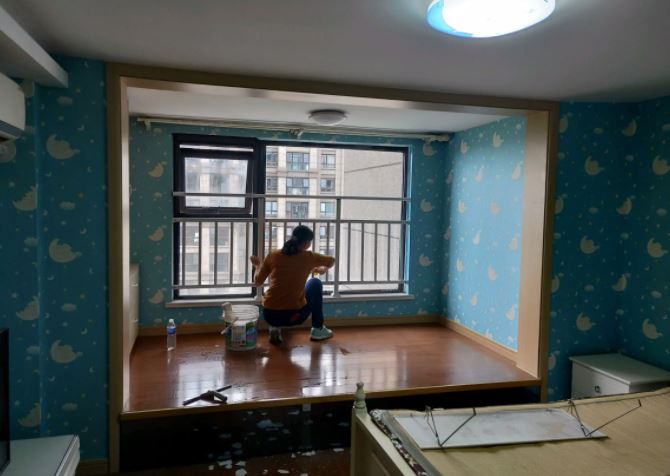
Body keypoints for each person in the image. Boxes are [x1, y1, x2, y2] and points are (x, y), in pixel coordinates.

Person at [250, 225, 335, 344]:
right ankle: (318, 329)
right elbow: (332, 261)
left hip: (270, 315)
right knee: (315, 282)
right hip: (295, 316)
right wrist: (322, 269)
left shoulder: (273, 255)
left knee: (276, 308)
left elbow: (258, 282)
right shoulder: (310, 257)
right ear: (306, 243)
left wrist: (257, 265)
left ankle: (274, 327)